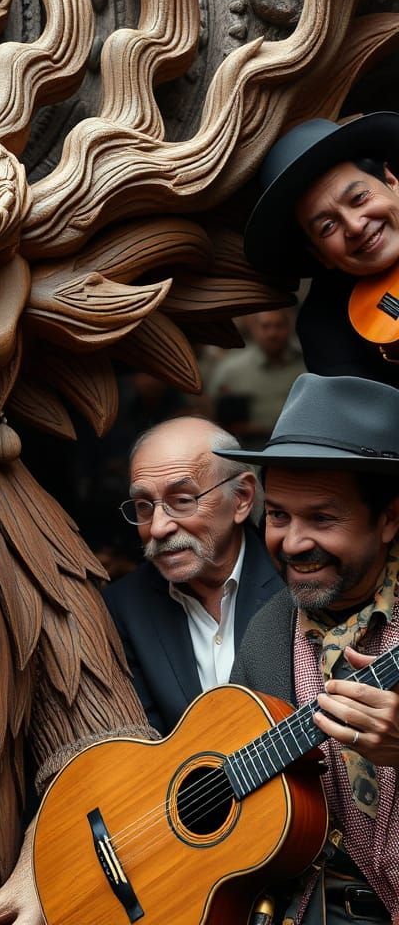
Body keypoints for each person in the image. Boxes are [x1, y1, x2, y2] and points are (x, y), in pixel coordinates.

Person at [220, 373, 399, 924]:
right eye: (278, 516)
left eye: (322, 517)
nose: (292, 543)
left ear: (390, 518)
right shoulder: (270, 630)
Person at [103, 417, 284, 735]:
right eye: (144, 507)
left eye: (182, 501)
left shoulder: (295, 584)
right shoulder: (123, 608)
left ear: (241, 498)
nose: (158, 527)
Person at [243, 112, 399, 384]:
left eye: (359, 198)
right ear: (320, 254)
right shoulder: (326, 329)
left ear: (392, 182)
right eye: (327, 226)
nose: (355, 225)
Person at [206, 310, 306, 447]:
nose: (272, 333)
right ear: (253, 329)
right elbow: (209, 409)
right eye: (265, 326)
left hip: (297, 446)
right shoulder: (231, 369)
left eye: (279, 326)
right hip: (247, 448)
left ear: (289, 327)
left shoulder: (307, 366)